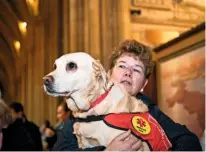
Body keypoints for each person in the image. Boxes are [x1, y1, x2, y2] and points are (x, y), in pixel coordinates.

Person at [53, 39, 202, 151]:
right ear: (109, 74)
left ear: (143, 85)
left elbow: (189, 140)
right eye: (122, 65)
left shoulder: (149, 112)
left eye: (136, 70)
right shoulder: (83, 111)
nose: (128, 72)